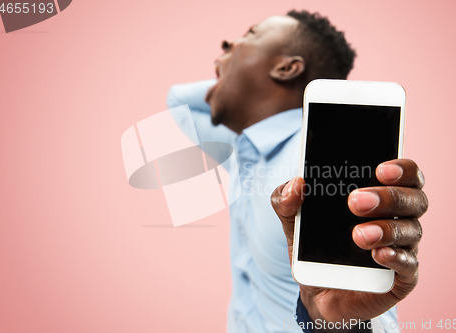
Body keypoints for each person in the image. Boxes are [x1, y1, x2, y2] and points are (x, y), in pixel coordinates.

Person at [167, 10, 427, 333]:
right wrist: (237, 87)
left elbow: (361, 305)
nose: (226, 43)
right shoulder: (241, 148)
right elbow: (177, 100)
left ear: (287, 67)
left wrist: (343, 326)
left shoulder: (317, 158)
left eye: (249, 35)